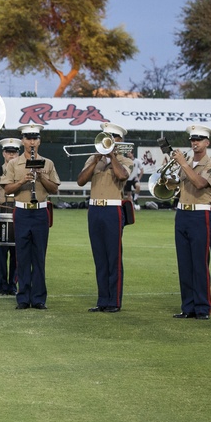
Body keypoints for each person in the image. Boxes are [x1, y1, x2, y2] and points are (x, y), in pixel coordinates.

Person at [161, 125, 211, 320]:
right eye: (193, 139)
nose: (195, 143)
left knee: (200, 264)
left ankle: (202, 308)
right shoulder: (187, 163)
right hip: (182, 214)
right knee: (184, 264)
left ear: (207, 143)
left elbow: (200, 183)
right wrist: (167, 175)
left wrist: (183, 164)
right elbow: (172, 186)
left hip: (200, 215)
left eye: (199, 139)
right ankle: (188, 307)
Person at [76, 123, 134, 313]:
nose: (109, 140)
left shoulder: (125, 160)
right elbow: (81, 180)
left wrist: (112, 157)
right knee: (99, 257)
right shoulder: (94, 158)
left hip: (112, 210)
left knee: (113, 256)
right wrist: (96, 159)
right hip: (94, 209)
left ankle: (114, 301)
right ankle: (102, 300)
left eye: (113, 137)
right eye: (106, 136)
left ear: (119, 140)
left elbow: (121, 175)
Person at [2, 124, 60, 310]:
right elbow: (7, 189)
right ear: (23, 141)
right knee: (22, 256)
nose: (32, 142)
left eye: (35, 138)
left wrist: (41, 177)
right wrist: (22, 181)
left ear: (39, 141)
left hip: (40, 211)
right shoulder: (13, 164)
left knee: (39, 256)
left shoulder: (48, 163)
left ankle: (39, 298)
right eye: (28, 138)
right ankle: (23, 298)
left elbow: (54, 189)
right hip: (22, 211)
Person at [0, 138, 21, 296]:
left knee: (17, 251)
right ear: (3, 153)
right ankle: (2, 285)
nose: (11, 155)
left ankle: (13, 284)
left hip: (18, 210)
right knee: (1, 251)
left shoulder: (22, 169)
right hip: (1, 211)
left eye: (14, 152)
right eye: (8, 152)